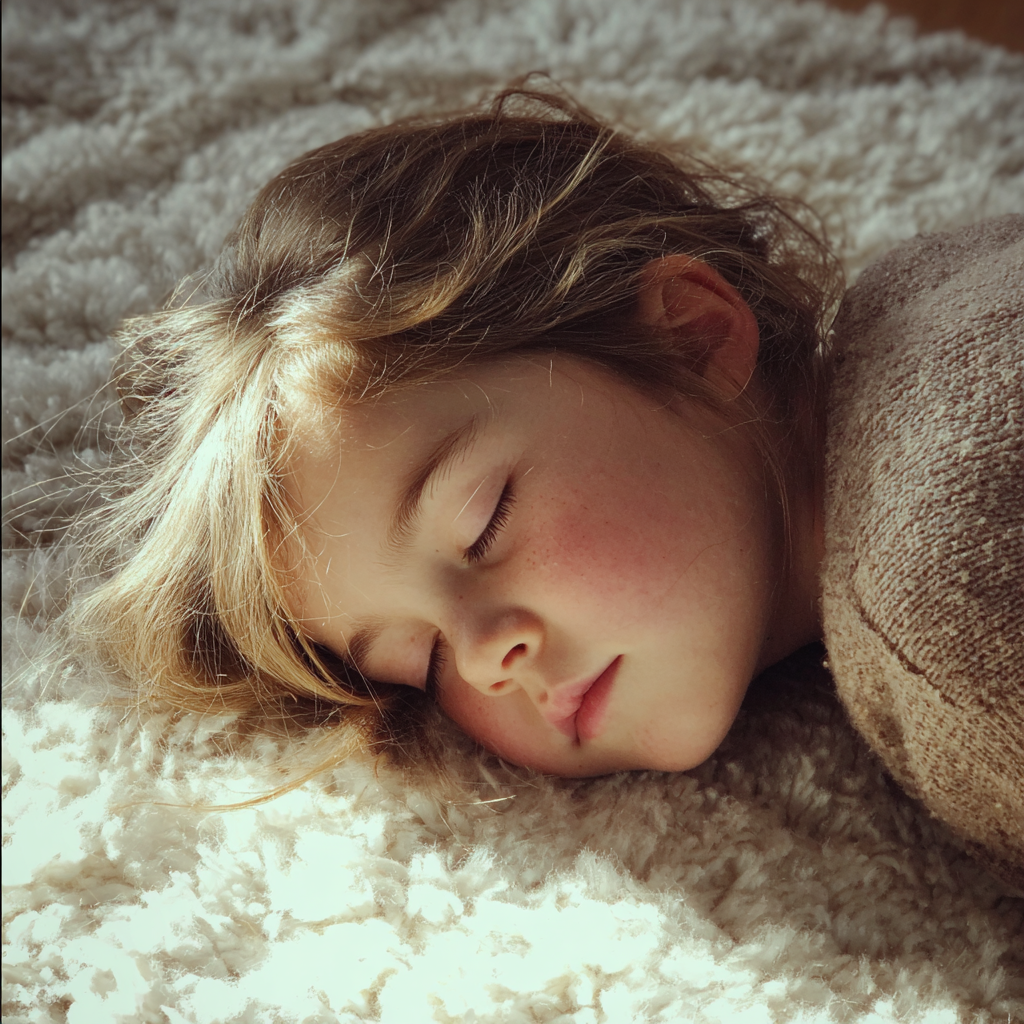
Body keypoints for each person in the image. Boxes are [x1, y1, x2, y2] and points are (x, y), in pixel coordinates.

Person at [70, 87, 1022, 885]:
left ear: (692, 336)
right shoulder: (916, 287)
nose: (487, 659)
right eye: (419, 662)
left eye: (484, 523)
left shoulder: (944, 601)